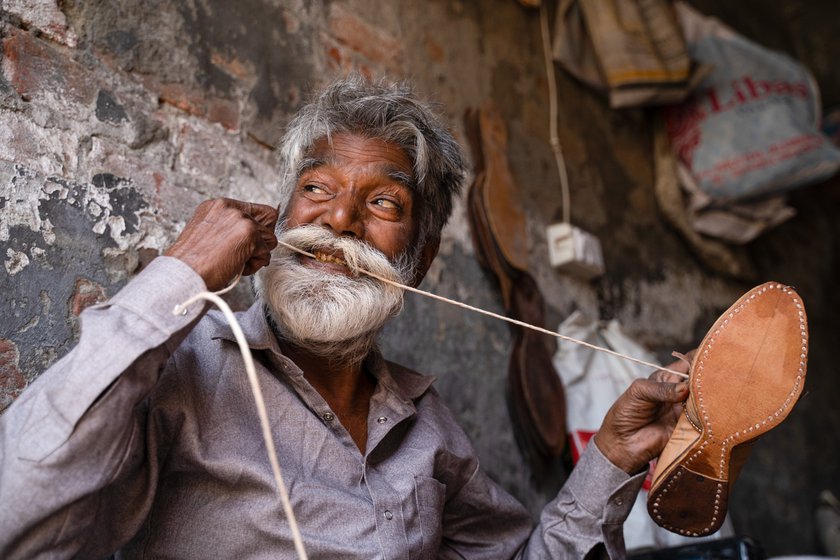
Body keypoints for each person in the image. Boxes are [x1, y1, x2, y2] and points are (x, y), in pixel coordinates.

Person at [0, 76, 690, 559]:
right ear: (279, 222)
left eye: (384, 202)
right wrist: (179, 274)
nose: (339, 219)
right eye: (317, 189)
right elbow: (16, 513)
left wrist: (610, 460)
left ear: (416, 265)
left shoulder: (428, 429)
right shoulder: (185, 368)